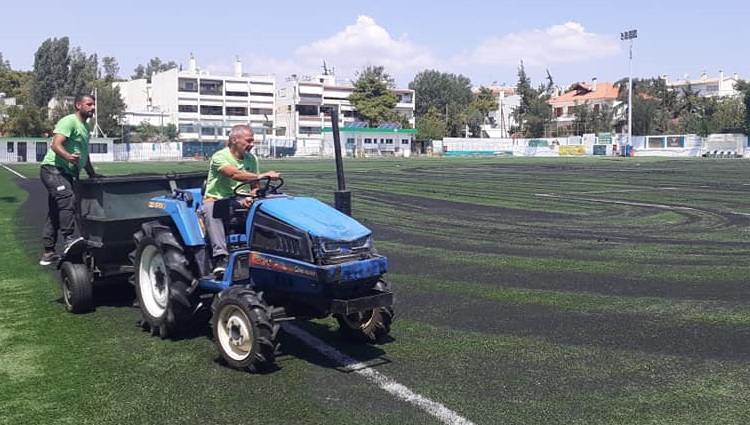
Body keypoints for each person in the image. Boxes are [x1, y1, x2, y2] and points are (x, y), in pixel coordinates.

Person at [201, 124, 280, 276]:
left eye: (252, 141)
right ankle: (221, 257)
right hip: (218, 200)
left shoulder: (252, 159)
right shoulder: (220, 157)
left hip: (240, 201)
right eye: (249, 141)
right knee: (212, 209)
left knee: (272, 203)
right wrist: (263, 175)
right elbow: (234, 174)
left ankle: (268, 252)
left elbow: (254, 186)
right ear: (234, 140)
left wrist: (252, 196)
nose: (252, 145)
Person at [38, 93, 101, 266]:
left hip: (65, 173)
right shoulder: (69, 121)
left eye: (93, 104)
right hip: (52, 170)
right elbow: (55, 144)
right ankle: (69, 239)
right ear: (78, 105)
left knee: (55, 211)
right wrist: (68, 157)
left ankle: (48, 252)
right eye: (89, 104)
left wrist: (92, 174)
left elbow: (84, 154)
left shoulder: (86, 127)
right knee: (68, 199)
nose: (92, 107)